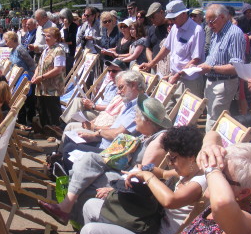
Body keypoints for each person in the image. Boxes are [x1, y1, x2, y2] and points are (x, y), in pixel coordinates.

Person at [38, 95, 171, 226]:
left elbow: (142, 176)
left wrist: (115, 188)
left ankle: (78, 223)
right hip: (122, 169)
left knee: (89, 180)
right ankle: (67, 209)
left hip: (129, 181)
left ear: (147, 121)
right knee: (89, 158)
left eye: (137, 116)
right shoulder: (147, 135)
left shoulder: (157, 142)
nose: (135, 119)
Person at [79, 126, 206, 234]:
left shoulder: (199, 182)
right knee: (90, 206)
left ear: (190, 157)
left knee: (90, 230)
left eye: (173, 158)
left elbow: (170, 201)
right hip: (149, 225)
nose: (170, 163)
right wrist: (144, 169)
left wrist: (147, 176)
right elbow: (163, 172)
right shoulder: (186, 172)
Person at [175, 140, 251, 234]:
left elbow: (223, 203)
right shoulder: (213, 205)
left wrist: (212, 169)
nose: (211, 178)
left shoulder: (245, 223)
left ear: (243, 192)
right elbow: (213, 135)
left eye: (221, 176)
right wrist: (208, 149)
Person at [61, 70, 145, 171]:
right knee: (70, 138)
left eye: (121, 87)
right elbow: (115, 129)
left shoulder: (138, 108)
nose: (118, 92)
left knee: (69, 149)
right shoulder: (129, 104)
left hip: (112, 154)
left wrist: (98, 133)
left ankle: (70, 180)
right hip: (105, 144)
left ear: (133, 85)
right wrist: (94, 136)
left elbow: (117, 134)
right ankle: (61, 166)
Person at [139, 0, 205, 109]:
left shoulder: (197, 30)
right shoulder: (175, 27)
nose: (172, 21)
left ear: (184, 14)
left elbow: (195, 59)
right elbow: (166, 48)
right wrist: (152, 63)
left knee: (185, 117)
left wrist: (177, 75)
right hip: (174, 77)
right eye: (170, 19)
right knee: (165, 111)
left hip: (189, 81)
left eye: (173, 18)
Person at [196, 4, 245, 131]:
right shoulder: (216, 32)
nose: (209, 26)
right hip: (212, 82)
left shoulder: (234, 34)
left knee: (214, 121)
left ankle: (209, 148)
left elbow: (236, 66)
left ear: (222, 17)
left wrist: (211, 68)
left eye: (211, 22)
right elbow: (213, 57)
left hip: (224, 83)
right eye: (207, 22)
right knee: (213, 117)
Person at [60, 59, 127, 124]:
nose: (110, 73)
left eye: (114, 71)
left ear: (123, 72)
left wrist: (94, 106)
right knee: (77, 100)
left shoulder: (123, 88)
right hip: (99, 109)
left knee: (81, 113)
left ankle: (64, 126)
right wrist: (91, 104)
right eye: (109, 71)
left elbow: (114, 108)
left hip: (106, 114)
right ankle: (63, 123)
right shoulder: (110, 84)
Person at [31, 27, 66, 134]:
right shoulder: (46, 50)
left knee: (53, 111)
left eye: (49, 36)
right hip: (42, 87)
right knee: (42, 109)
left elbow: (58, 69)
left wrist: (42, 77)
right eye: (45, 36)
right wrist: (35, 75)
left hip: (53, 87)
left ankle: (56, 132)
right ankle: (45, 131)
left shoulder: (58, 50)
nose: (46, 38)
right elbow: (39, 65)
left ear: (56, 38)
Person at [59, 8, 78, 74]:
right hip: (61, 50)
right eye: (60, 17)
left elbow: (69, 41)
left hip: (68, 52)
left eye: (62, 17)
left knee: (67, 72)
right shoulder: (61, 25)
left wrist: (66, 27)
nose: (61, 19)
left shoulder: (73, 26)